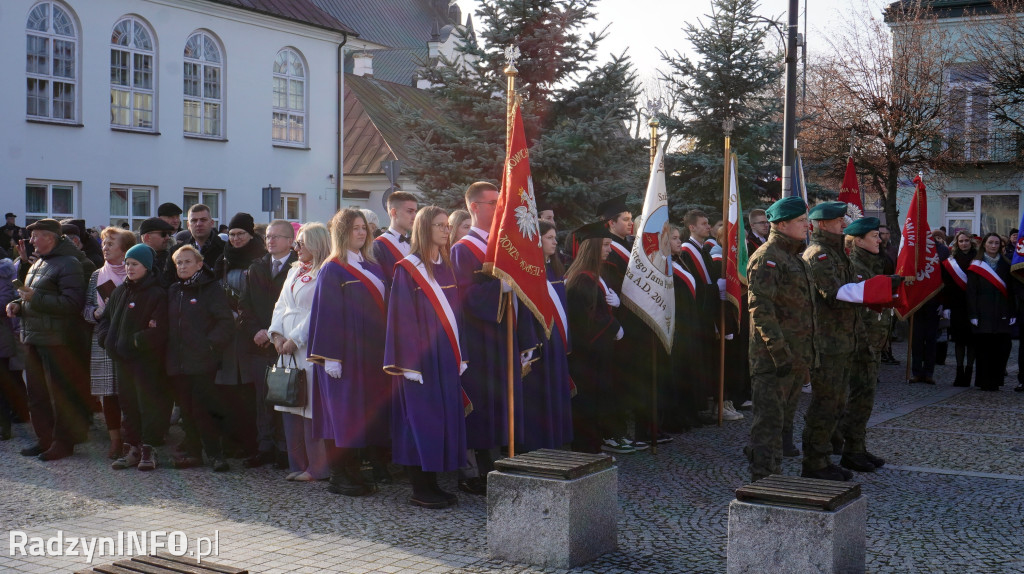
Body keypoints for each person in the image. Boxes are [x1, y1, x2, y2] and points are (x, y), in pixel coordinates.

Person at [452, 181, 536, 494]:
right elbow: (462, 296)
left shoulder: (504, 245)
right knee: (482, 404)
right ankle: (477, 470)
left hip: (504, 337)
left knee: (504, 400)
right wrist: (498, 289)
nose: (499, 208)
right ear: (473, 206)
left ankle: (505, 461)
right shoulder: (462, 250)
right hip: (479, 340)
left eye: (500, 202)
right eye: (491, 203)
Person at [384, 205, 467, 509]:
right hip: (419, 362)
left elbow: (457, 315)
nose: (447, 230)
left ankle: (433, 483)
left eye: (447, 225)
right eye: (440, 225)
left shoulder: (446, 266)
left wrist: (462, 353)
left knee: (441, 421)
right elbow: (401, 318)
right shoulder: (408, 269)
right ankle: (420, 487)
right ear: (424, 229)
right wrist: (408, 364)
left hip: (445, 357)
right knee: (420, 422)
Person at [308, 210, 391, 494]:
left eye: (364, 228)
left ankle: (355, 470)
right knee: (341, 414)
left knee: (360, 414)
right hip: (343, 354)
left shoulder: (373, 265)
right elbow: (326, 314)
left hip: (370, 354)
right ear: (341, 232)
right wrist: (330, 357)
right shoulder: (333, 268)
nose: (361, 233)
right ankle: (339, 475)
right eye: (355, 228)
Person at [745, 197, 817, 483]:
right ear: (782, 224)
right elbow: (761, 310)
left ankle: (772, 474)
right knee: (768, 423)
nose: (807, 225)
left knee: (782, 422)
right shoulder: (768, 257)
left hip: (795, 357)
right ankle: (763, 479)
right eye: (801, 221)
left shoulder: (793, 257)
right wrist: (780, 353)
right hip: (774, 359)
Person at [7, 219, 86, 461]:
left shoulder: (70, 264)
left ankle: (63, 443)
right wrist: (17, 305)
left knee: (59, 395)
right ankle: (45, 440)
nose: (31, 241)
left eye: (36, 236)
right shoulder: (39, 263)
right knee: (37, 395)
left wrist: (32, 300)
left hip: (57, 341)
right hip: (33, 337)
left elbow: (73, 304)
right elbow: (30, 297)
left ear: (51, 237)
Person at [97, 244, 168, 471]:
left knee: (147, 404)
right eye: (127, 263)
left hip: (145, 360)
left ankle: (149, 449)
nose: (129, 268)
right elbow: (106, 319)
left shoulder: (157, 293)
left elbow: (158, 329)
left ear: (146, 266)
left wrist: (134, 341)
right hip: (122, 360)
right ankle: (132, 448)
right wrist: (107, 339)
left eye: (135, 264)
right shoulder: (120, 291)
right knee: (127, 405)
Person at [270, 222, 331, 483]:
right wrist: (275, 334)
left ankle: (317, 467)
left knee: (309, 406)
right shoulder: (294, 271)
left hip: (308, 347)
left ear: (317, 243)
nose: (296, 248)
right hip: (285, 347)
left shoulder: (325, 272)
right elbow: (281, 304)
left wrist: (295, 339)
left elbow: (319, 310)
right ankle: (297, 463)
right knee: (289, 403)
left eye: (301, 242)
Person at [165, 246, 235, 471]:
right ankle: (193, 453)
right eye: (179, 263)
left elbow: (225, 321)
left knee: (202, 409)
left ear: (198, 264)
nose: (183, 266)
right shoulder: (174, 290)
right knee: (186, 410)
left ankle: (215, 454)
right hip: (178, 362)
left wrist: (210, 345)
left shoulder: (210, 288)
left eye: (187, 262)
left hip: (202, 361)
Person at [237, 219, 297, 469]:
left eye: (276, 237)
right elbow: (245, 305)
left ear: (290, 241)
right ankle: (265, 447)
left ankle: (286, 449)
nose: (270, 241)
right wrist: (257, 331)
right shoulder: (257, 267)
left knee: (285, 396)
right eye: (268, 236)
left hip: (286, 345)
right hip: (260, 344)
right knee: (262, 398)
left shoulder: (298, 268)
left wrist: (277, 334)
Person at [837, 217, 889, 473]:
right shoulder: (855, 264)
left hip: (873, 340)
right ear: (858, 240)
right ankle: (850, 450)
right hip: (861, 341)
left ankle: (857, 446)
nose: (879, 239)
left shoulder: (872, 261)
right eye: (874, 236)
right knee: (859, 397)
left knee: (865, 397)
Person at [213, 213, 267, 458]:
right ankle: (231, 441)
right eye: (232, 234)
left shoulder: (260, 258)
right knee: (228, 388)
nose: (235, 239)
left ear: (250, 234)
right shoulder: (222, 259)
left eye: (240, 234)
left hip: (249, 332)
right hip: (227, 333)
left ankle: (253, 442)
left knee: (250, 388)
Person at [566, 221, 622, 454]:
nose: (610, 249)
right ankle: (586, 447)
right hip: (586, 354)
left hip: (597, 353)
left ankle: (593, 443)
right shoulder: (582, 279)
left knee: (596, 398)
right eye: (606, 244)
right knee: (587, 400)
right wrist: (614, 325)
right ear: (593, 247)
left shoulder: (593, 276)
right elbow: (587, 318)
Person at [84, 227, 136, 459]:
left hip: (128, 339)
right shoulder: (97, 275)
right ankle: (115, 440)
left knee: (131, 390)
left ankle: (133, 439)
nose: (104, 247)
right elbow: (85, 308)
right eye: (103, 243)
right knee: (108, 392)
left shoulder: (134, 273)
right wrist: (95, 313)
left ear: (124, 250)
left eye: (110, 244)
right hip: (103, 338)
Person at [520, 221, 573, 450]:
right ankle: (540, 446)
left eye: (555, 238)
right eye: (549, 237)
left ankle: (557, 442)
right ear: (537, 240)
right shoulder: (529, 271)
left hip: (557, 342)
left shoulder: (554, 269)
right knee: (540, 398)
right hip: (541, 343)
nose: (554, 242)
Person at [678, 209, 720, 422]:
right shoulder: (686, 251)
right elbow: (693, 286)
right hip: (697, 316)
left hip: (707, 315)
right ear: (691, 227)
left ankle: (703, 405)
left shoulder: (703, 249)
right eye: (704, 223)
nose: (708, 226)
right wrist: (714, 289)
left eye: (708, 223)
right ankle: (696, 408)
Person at [967, 232, 1015, 391]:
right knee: (983, 349)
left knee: (1001, 348)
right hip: (982, 312)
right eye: (990, 243)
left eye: (996, 243)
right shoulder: (976, 265)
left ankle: (996, 380)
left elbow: (1012, 291)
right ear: (984, 245)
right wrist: (973, 314)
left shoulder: (1007, 264)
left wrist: (1013, 312)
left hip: (1002, 311)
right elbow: (971, 291)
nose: (994, 246)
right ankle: (983, 381)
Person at [943, 231, 975, 387]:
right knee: (959, 341)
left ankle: (969, 371)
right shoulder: (951, 260)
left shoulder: (978, 258)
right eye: (961, 241)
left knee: (972, 341)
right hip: (957, 305)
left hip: (975, 305)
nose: (964, 243)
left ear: (971, 241)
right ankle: (959, 371)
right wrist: (946, 306)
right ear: (957, 243)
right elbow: (947, 285)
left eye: (966, 240)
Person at [166, 204, 225, 285]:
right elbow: (168, 283)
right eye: (194, 220)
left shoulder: (225, 250)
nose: (198, 224)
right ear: (188, 225)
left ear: (211, 223)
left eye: (203, 220)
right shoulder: (176, 252)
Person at [373, 191, 417, 284]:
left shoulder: (417, 243)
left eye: (415, 211)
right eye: (410, 211)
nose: (414, 216)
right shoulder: (378, 246)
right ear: (394, 212)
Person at [139, 218, 176, 288]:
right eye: (163, 234)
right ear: (147, 237)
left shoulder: (172, 260)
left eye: (169, 234)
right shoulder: (135, 259)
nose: (168, 237)